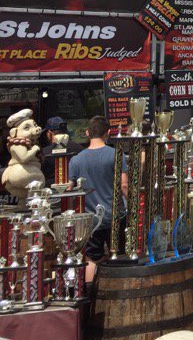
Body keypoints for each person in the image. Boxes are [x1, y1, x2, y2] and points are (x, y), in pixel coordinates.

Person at [69, 116, 127, 282]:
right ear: (108, 133)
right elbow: (124, 185)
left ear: (87, 133)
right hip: (115, 216)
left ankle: (89, 296)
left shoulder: (76, 160)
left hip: (90, 220)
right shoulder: (116, 155)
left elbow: (70, 189)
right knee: (119, 256)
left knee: (92, 259)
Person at [39, 116, 83, 185]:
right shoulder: (79, 148)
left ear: (50, 133)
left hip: (52, 191)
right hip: (75, 190)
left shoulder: (44, 152)